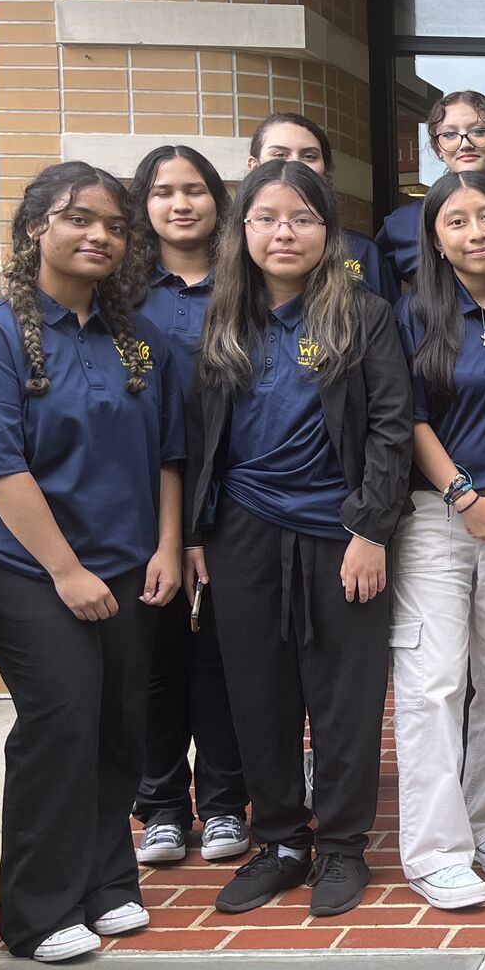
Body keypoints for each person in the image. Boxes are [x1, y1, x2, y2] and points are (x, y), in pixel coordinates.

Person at [0, 162, 183, 962]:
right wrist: (66, 571)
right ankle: (38, 912)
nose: (100, 236)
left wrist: (166, 546)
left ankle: (108, 883)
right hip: (24, 570)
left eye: (115, 226)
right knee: (62, 720)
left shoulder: (137, 341)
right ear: (36, 227)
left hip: (125, 567)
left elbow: (167, 456)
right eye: (80, 219)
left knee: (121, 727)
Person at [185, 159, 413, 918]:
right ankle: (280, 839)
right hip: (242, 528)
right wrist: (193, 535)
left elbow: (388, 429)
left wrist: (370, 528)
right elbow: (198, 438)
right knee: (259, 691)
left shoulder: (365, 314)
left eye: (303, 218)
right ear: (242, 229)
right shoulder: (223, 318)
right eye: (267, 218)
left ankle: (343, 846)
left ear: (328, 231)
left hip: (339, 528)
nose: (284, 232)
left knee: (344, 696)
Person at [389, 171, 485, 910]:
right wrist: (465, 496)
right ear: (436, 237)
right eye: (458, 221)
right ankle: (434, 851)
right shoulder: (413, 315)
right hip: (435, 521)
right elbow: (407, 419)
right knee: (435, 683)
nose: (477, 231)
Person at [126, 145, 249, 869]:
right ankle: (165, 804)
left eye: (195, 190)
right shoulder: (125, 292)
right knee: (156, 659)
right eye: (165, 191)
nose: (181, 204)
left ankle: (228, 801)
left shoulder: (245, 285)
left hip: (233, 499)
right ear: (145, 205)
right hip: (147, 502)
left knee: (224, 657)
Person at [375, 89, 485, 284]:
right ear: (437, 148)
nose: (465, 144)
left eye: (478, 131)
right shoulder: (403, 224)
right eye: (449, 134)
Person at [247, 112, 400, 307]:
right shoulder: (233, 248)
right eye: (280, 155)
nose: (294, 163)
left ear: (325, 171)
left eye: (309, 156)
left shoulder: (361, 251)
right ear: (254, 166)